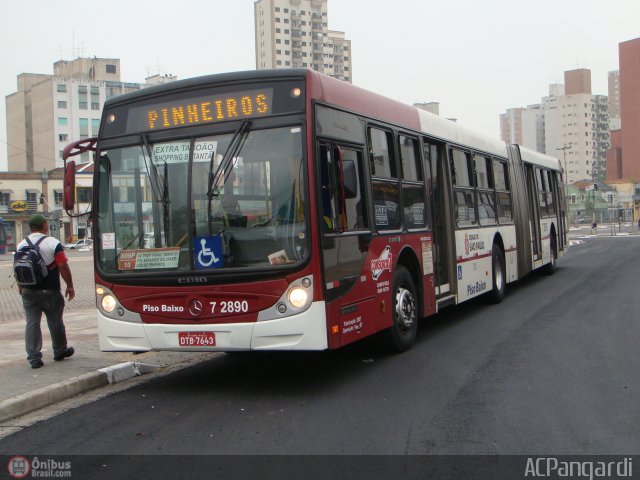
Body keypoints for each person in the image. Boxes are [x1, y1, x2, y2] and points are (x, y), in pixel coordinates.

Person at [17, 214, 75, 369]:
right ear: (44, 225)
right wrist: (70, 285)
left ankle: (34, 357)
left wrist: (20, 287)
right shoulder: (53, 243)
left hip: (28, 291)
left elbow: (18, 267)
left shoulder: (21, 244)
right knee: (55, 321)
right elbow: (62, 266)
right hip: (50, 290)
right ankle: (60, 350)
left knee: (32, 323)